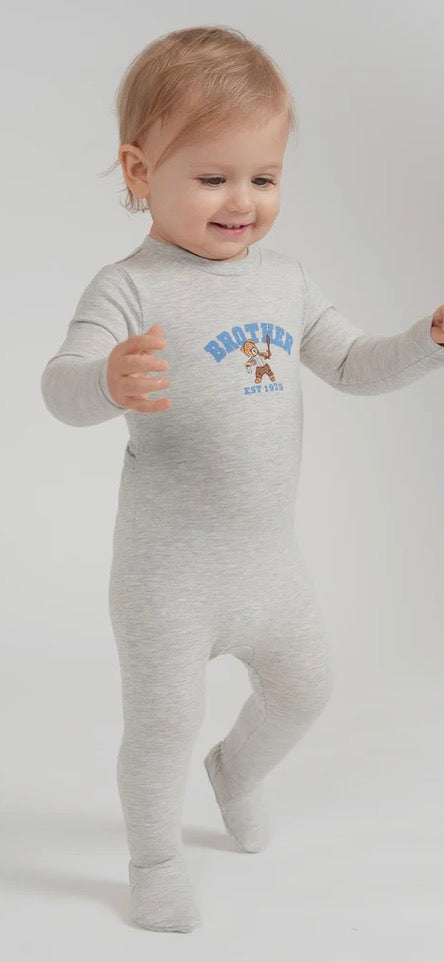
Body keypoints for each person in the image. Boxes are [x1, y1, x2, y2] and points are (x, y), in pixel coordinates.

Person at [40, 25, 444, 935]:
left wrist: (426, 341)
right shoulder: (128, 288)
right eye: (214, 177)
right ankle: (153, 860)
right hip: (168, 576)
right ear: (140, 172)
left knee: (308, 688)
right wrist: (104, 383)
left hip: (268, 567)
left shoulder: (286, 282)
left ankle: (238, 773)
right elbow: (58, 386)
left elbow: (351, 365)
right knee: (161, 727)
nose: (243, 202)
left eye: (264, 179)